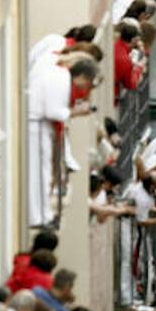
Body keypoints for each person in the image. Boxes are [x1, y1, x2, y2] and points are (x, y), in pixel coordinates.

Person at [28, 53, 99, 228]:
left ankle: (42, 215)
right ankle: (38, 218)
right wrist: (77, 112)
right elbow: (53, 111)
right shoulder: (61, 79)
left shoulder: (59, 75)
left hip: (39, 123)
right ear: (82, 76)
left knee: (42, 174)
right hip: (37, 124)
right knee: (40, 174)